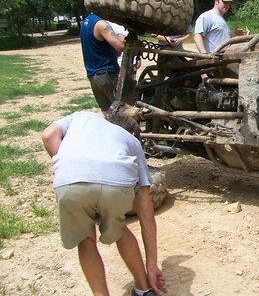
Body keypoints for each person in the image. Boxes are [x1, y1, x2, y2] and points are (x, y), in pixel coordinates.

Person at [41, 107, 166, 296]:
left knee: (86, 240)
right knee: (119, 229)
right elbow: (145, 206)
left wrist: (70, 168)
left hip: (69, 181)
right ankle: (143, 289)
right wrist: (152, 265)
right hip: (115, 184)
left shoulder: (82, 117)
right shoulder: (132, 141)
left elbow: (48, 135)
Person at [80, 13, 125, 112]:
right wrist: (122, 39)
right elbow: (120, 46)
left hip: (93, 75)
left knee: (106, 110)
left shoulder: (86, 22)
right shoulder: (101, 24)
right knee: (121, 110)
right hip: (106, 74)